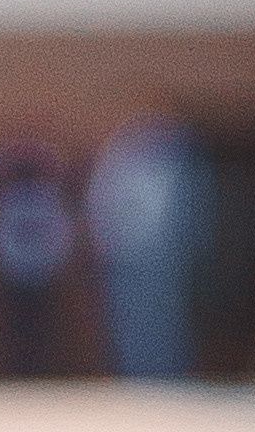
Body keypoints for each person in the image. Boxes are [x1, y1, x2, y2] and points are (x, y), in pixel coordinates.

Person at [85, 109, 213, 383]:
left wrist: (194, 246)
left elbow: (194, 207)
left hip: (167, 258)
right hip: (126, 257)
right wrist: (104, 243)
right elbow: (102, 201)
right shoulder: (120, 155)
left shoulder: (179, 159)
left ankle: (171, 378)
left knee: (168, 323)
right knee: (129, 324)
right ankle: (132, 379)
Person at [0, 134, 76, 376]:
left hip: (28, 275)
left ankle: (31, 372)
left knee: (29, 330)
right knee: (26, 330)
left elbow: (57, 235)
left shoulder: (22, 201)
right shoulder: (33, 201)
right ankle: (25, 372)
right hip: (28, 275)